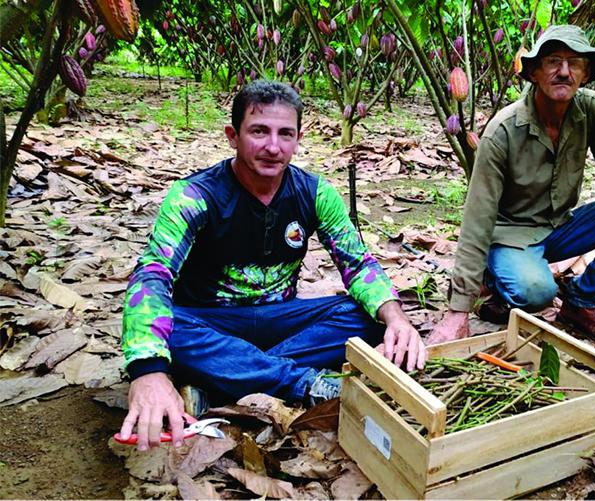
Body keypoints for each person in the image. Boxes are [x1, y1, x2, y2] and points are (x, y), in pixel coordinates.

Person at [118, 80, 426, 451]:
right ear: (233, 136)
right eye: (259, 131)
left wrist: (397, 319)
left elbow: (357, 264)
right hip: (208, 322)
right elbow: (152, 276)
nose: (273, 147)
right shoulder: (194, 196)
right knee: (169, 326)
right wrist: (148, 371)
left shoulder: (315, 193)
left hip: (279, 320)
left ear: (298, 140)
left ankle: (224, 377)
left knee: (367, 315)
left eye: (285, 134)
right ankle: (304, 383)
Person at [428, 25, 595, 347]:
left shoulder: (593, 112)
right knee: (537, 292)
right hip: (511, 234)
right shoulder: (503, 131)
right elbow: (477, 219)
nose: (564, 72)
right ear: (534, 73)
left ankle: (581, 303)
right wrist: (458, 309)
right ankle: (493, 278)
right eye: (553, 61)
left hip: (560, 226)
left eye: (575, 63)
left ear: (586, 74)